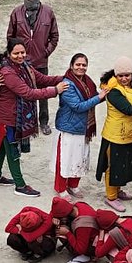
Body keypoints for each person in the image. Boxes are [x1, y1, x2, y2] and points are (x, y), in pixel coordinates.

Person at [0, 41, 66, 197]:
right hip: (9, 118)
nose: (20, 56)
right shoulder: (8, 72)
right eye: (16, 53)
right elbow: (28, 93)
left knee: (1, 148)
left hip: (8, 116)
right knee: (12, 152)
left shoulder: (24, 66)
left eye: (22, 52)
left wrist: (65, 77)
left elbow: (42, 79)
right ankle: (20, 185)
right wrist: (55, 91)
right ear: (9, 53)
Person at [6, 0, 60, 133]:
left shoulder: (48, 12)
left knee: (43, 94)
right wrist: (16, 56)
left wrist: (45, 52)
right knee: (24, 93)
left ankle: (43, 122)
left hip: (40, 62)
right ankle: (26, 123)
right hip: (22, 62)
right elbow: (10, 37)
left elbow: (54, 36)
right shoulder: (16, 13)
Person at [96, 59, 132, 204]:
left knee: (123, 164)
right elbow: (128, 110)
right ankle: (111, 197)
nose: (124, 79)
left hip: (130, 134)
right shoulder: (113, 91)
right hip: (115, 135)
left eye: (127, 75)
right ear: (116, 75)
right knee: (113, 166)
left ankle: (118, 190)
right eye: (120, 76)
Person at [53, 53, 102, 196]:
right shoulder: (67, 84)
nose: (81, 67)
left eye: (84, 65)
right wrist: (99, 97)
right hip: (69, 127)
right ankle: (61, 188)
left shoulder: (88, 81)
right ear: (71, 66)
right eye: (78, 65)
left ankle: (73, 185)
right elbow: (78, 106)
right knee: (65, 159)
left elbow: (96, 97)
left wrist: (106, 94)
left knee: (80, 157)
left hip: (83, 127)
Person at [51, 196, 103, 263]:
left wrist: (67, 233)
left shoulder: (82, 225)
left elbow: (80, 249)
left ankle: (86, 256)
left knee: (59, 232)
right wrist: (54, 217)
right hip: (92, 234)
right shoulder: (79, 205)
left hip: (92, 245)